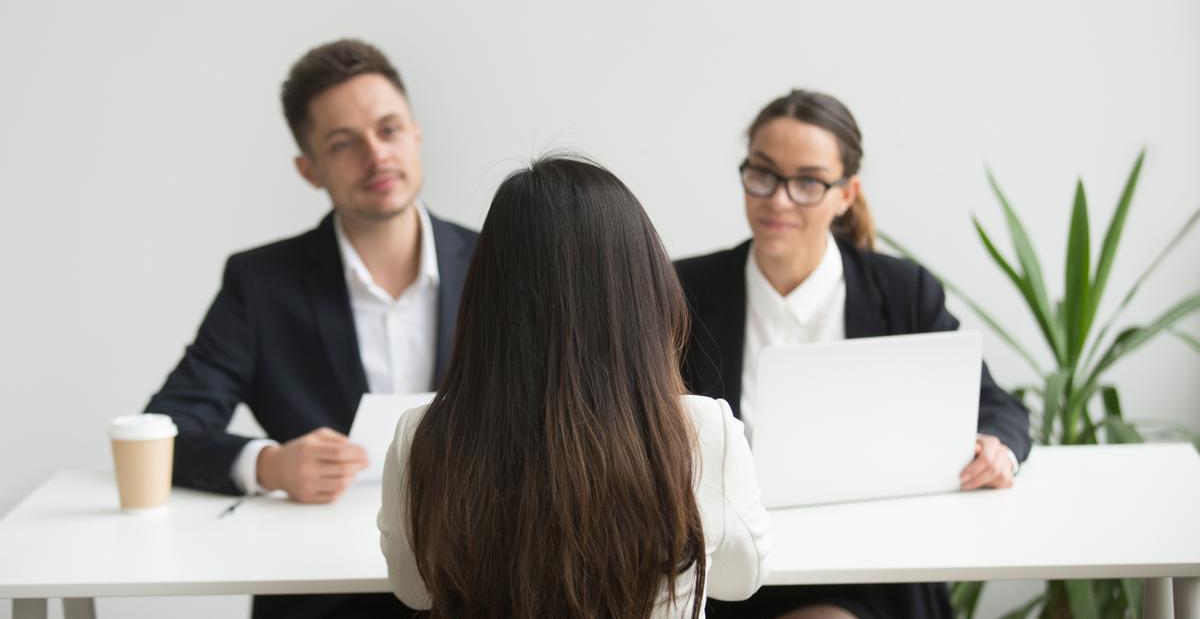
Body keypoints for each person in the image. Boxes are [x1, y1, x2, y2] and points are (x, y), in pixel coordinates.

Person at [145, 38, 476, 619]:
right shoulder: (260, 282)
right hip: (321, 590)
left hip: (477, 579)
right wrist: (269, 465)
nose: (376, 157)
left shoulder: (496, 263)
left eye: (389, 129)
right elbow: (167, 428)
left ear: (417, 135)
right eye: (344, 144)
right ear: (309, 169)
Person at [676, 89, 1032, 619]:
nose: (778, 199)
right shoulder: (685, 290)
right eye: (763, 174)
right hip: (731, 573)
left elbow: (996, 406)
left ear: (846, 194)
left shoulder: (902, 291)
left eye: (807, 183)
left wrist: (997, 450)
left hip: (873, 568)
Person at [377, 155, 771, 619]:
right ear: (644, 292)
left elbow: (414, 588)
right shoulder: (703, 430)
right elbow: (741, 582)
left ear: (485, 297)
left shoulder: (423, 434)